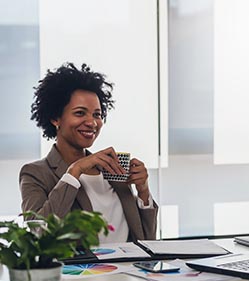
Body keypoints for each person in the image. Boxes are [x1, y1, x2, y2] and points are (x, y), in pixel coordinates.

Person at [19, 62, 158, 242]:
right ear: (55, 118)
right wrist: (74, 172)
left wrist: (143, 191)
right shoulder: (36, 173)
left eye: (97, 114)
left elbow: (146, 240)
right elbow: (38, 235)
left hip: (130, 269)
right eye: (80, 113)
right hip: (83, 270)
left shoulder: (113, 168)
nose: (91, 122)